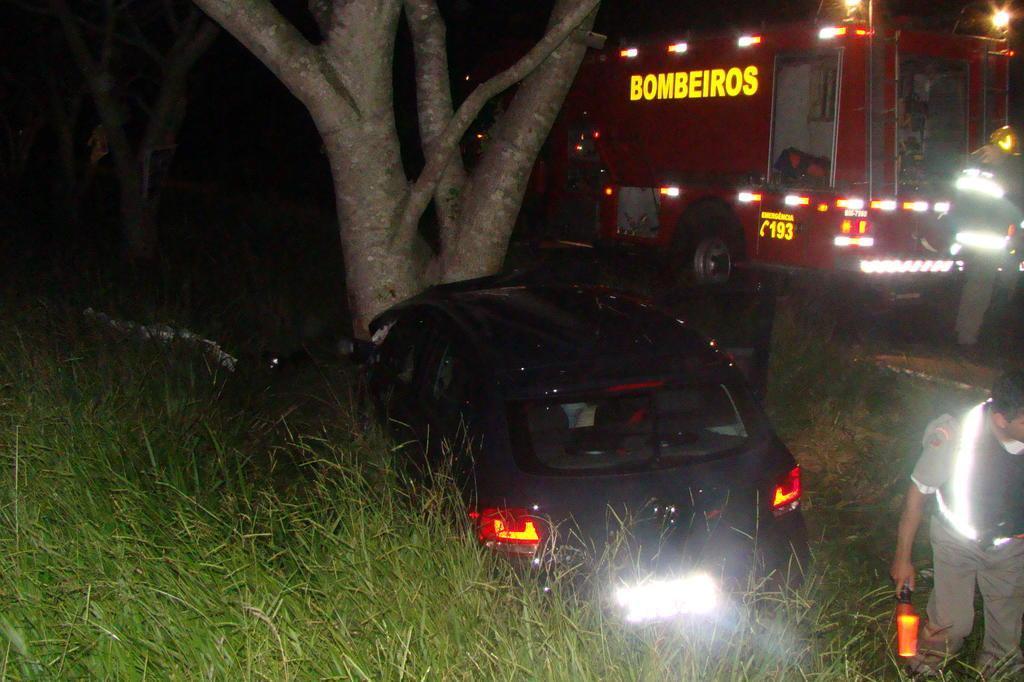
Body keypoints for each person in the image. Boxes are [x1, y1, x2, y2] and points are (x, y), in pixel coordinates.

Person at [891, 370, 1024, 676]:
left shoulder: (1015, 425)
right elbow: (917, 494)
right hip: (956, 542)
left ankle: (999, 669)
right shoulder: (954, 435)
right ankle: (925, 665)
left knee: (1006, 629)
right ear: (1001, 419)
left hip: (1010, 548)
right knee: (950, 622)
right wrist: (903, 558)